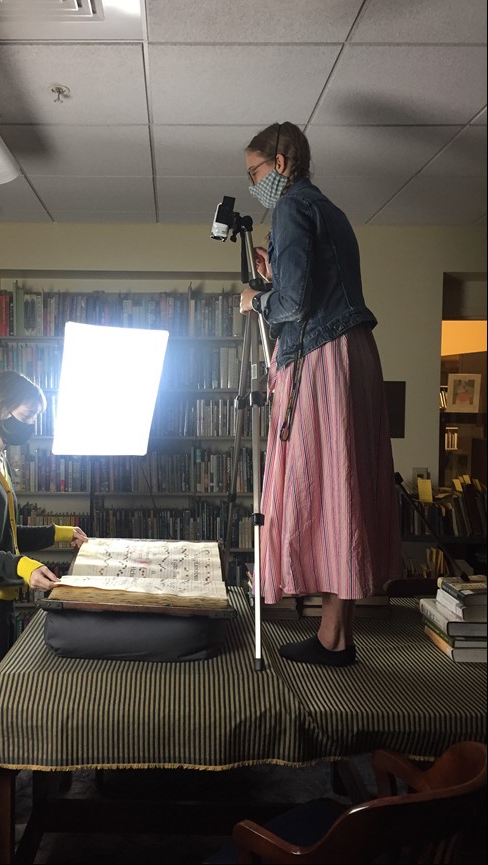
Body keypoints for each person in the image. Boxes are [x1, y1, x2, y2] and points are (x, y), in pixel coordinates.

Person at [239, 121, 402, 667]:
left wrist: (256, 301)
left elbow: (293, 304)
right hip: (353, 352)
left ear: (281, 163)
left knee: (327, 482)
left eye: (256, 172)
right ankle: (337, 634)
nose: (253, 183)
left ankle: (333, 637)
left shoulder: (289, 207)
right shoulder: (329, 210)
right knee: (346, 483)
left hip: (322, 357)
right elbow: (316, 283)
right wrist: (277, 273)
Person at [0, 370, 88, 700]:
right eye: (26, 416)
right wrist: (25, 568)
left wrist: (62, 533)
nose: (30, 425)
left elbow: (5, 535)